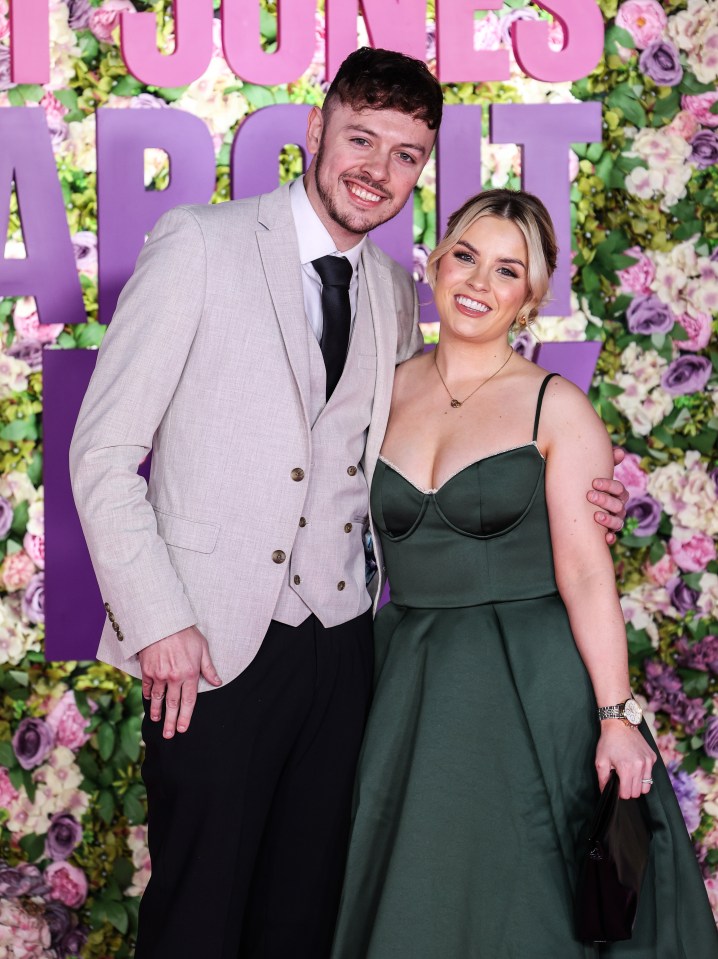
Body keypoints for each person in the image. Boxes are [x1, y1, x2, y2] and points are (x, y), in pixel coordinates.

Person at [69, 51, 628, 959]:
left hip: (344, 653)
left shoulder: (394, 293)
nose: (378, 168)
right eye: (361, 138)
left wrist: (568, 501)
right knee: (199, 909)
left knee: (303, 916)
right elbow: (100, 453)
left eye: (407, 154)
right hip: (206, 644)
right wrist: (159, 620)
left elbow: (418, 455)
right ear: (314, 131)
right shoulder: (199, 243)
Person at [329, 189, 718, 958]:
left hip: (527, 683)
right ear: (436, 262)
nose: (479, 282)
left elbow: (585, 572)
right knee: (416, 893)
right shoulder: (379, 387)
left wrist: (617, 715)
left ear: (532, 296)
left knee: (524, 899)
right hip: (404, 677)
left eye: (508, 270)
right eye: (466, 256)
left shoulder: (558, 407)